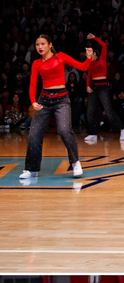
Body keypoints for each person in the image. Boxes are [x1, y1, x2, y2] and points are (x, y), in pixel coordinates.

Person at [20, 35, 93, 181]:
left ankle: (75, 162)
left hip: (61, 99)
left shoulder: (61, 57)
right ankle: (32, 169)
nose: (39, 47)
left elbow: (83, 67)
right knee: (34, 134)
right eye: (37, 44)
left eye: (42, 44)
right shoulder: (36, 63)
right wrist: (33, 102)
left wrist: (89, 58)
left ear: (50, 45)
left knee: (65, 130)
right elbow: (33, 85)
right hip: (44, 100)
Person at [84, 33, 124, 143]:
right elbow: (89, 75)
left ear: (95, 54)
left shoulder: (102, 58)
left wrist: (94, 37)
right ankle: (93, 133)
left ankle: (122, 129)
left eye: (90, 53)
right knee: (90, 111)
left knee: (108, 111)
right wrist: (87, 86)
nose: (87, 54)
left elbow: (103, 45)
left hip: (103, 86)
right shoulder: (89, 63)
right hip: (93, 87)